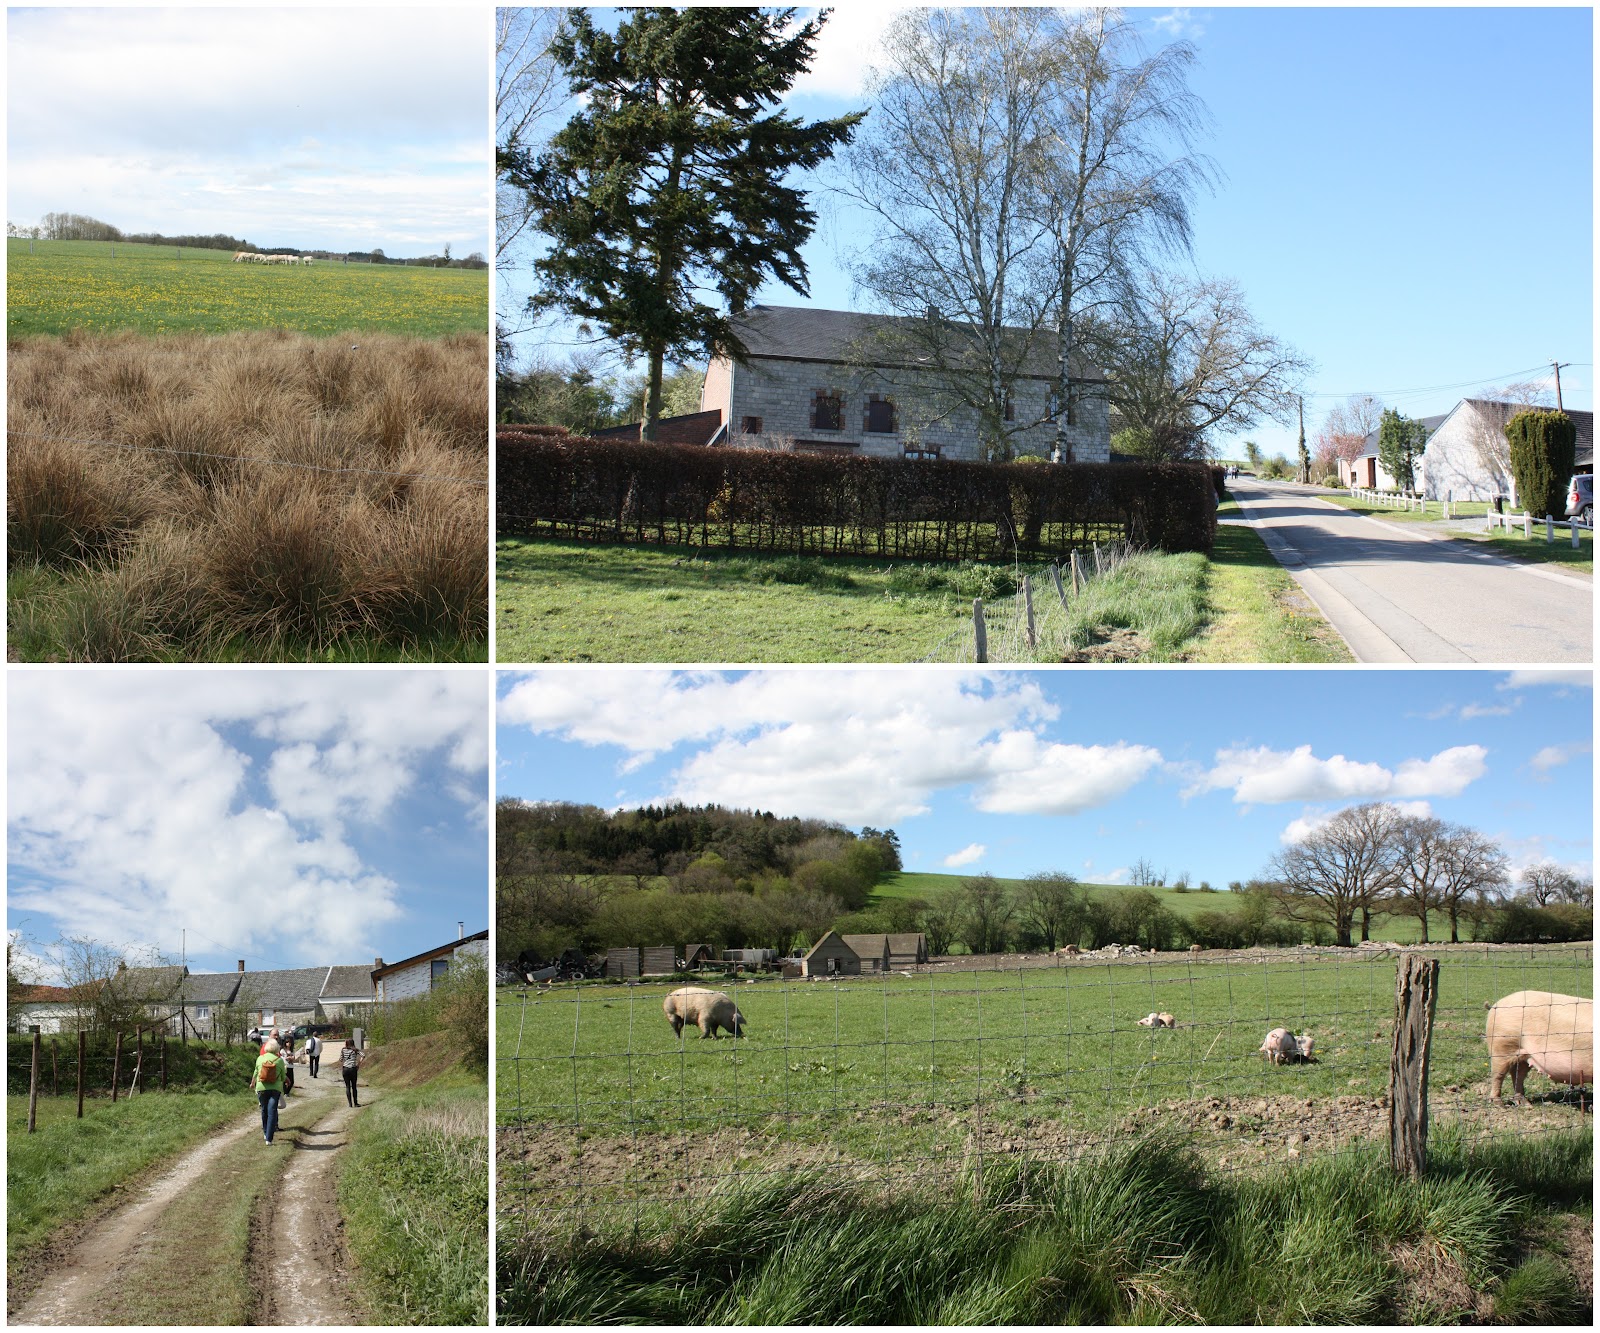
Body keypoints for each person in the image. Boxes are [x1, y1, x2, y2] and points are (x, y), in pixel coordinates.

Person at [252, 1038, 286, 1144]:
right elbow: (282, 1077)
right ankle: (269, 1139)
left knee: (264, 1110)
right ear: (277, 1048)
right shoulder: (279, 1060)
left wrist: (253, 1083)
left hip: (261, 1088)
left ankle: (265, 1132)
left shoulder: (260, 1058)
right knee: (272, 1112)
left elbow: (256, 1072)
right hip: (275, 1089)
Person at [340, 1038, 364, 1107]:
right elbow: (363, 1055)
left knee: (347, 1086)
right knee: (354, 1086)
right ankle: (356, 1103)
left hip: (345, 1069)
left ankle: (350, 1104)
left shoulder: (343, 1050)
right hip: (353, 1069)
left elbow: (341, 1059)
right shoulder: (355, 1050)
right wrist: (358, 1064)